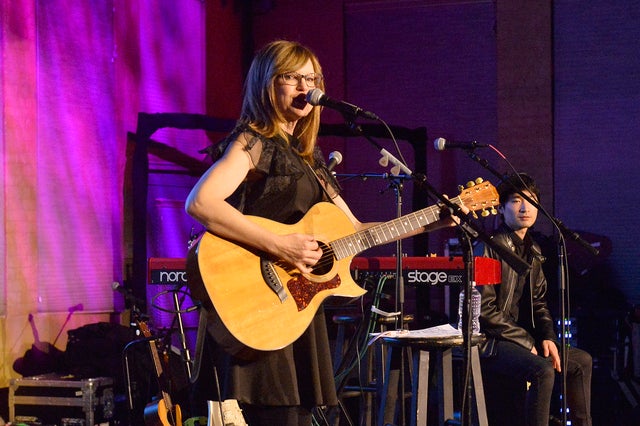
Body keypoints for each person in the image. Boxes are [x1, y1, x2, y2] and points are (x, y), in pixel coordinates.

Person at [184, 40, 456, 426]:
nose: (304, 87)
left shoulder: (308, 159)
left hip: (294, 310)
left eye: (310, 78)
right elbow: (202, 202)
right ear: (267, 83)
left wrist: (432, 219)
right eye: (292, 77)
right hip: (256, 304)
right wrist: (282, 245)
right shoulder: (253, 142)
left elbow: (356, 231)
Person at [476, 173, 592, 426]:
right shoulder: (487, 247)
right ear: (501, 208)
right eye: (516, 200)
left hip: (521, 338)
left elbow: (539, 303)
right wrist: (526, 340)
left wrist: (548, 338)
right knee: (543, 369)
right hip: (492, 341)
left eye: (531, 200)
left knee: (581, 361)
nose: (525, 207)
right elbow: (483, 311)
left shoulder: (535, 250)